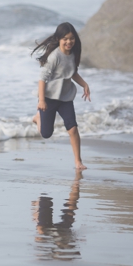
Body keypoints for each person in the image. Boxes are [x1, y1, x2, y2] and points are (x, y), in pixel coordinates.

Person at [29, 23, 92, 171]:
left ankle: (78, 161)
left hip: (65, 98)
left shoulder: (73, 54)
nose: (69, 42)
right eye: (65, 39)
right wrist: (42, 100)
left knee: (73, 129)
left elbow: (72, 72)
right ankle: (38, 117)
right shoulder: (54, 56)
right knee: (46, 134)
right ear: (58, 39)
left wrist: (84, 84)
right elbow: (42, 79)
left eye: (71, 38)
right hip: (49, 98)